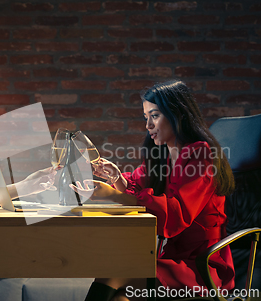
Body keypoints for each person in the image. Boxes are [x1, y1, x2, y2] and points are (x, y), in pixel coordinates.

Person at [71, 80, 236, 301]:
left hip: (203, 266)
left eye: (155, 115)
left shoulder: (200, 155)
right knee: (120, 296)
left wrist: (113, 194)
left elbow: (176, 214)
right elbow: (137, 183)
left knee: (116, 273)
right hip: (172, 258)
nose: (148, 125)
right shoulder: (163, 156)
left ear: (177, 114)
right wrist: (117, 178)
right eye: (145, 117)